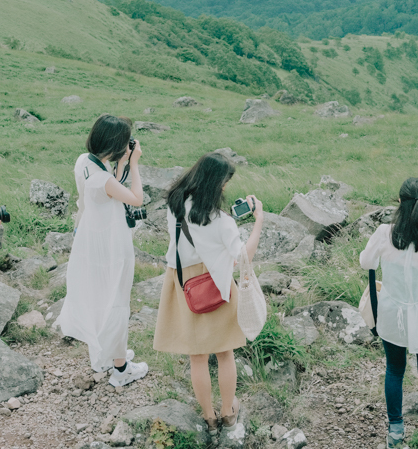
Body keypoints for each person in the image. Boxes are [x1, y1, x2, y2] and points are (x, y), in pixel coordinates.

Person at [153, 152, 264, 434]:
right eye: (224, 183)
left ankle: (208, 418)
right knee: (225, 353)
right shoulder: (220, 220)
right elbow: (242, 258)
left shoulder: (175, 204)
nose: (225, 188)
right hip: (215, 283)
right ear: (216, 184)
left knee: (197, 357)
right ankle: (228, 413)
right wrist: (258, 221)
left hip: (182, 282)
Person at [56, 115, 150, 387]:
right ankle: (121, 369)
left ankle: (107, 354)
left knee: (102, 297)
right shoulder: (102, 180)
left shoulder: (85, 162)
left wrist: (118, 164)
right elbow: (136, 198)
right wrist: (132, 164)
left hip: (91, 241)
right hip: (111, 246)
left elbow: (102, 191)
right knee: (117, 302)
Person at [360, 178, 418, 448]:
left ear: (400, 202)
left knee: (395, 370)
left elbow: (366, 262)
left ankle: (396, 431)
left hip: (392, 312)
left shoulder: (384, 234)